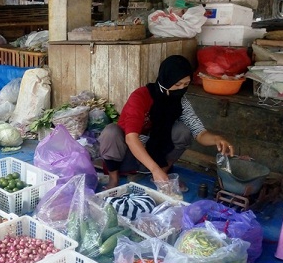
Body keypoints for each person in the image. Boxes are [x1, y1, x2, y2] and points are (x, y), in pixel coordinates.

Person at [99, 54, 235, 189]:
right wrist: (154, 168)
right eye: (177, 84)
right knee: (111, 132)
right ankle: (114, 178)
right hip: (127, 155)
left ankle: (162, 174)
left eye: (186, 84)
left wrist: (217, 139)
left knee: (183, 131)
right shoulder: (141, 97)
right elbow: (131, 139)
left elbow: (199, 132)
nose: (181, 88)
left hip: (157, 153)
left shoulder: (180, 101)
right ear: (166, 79)